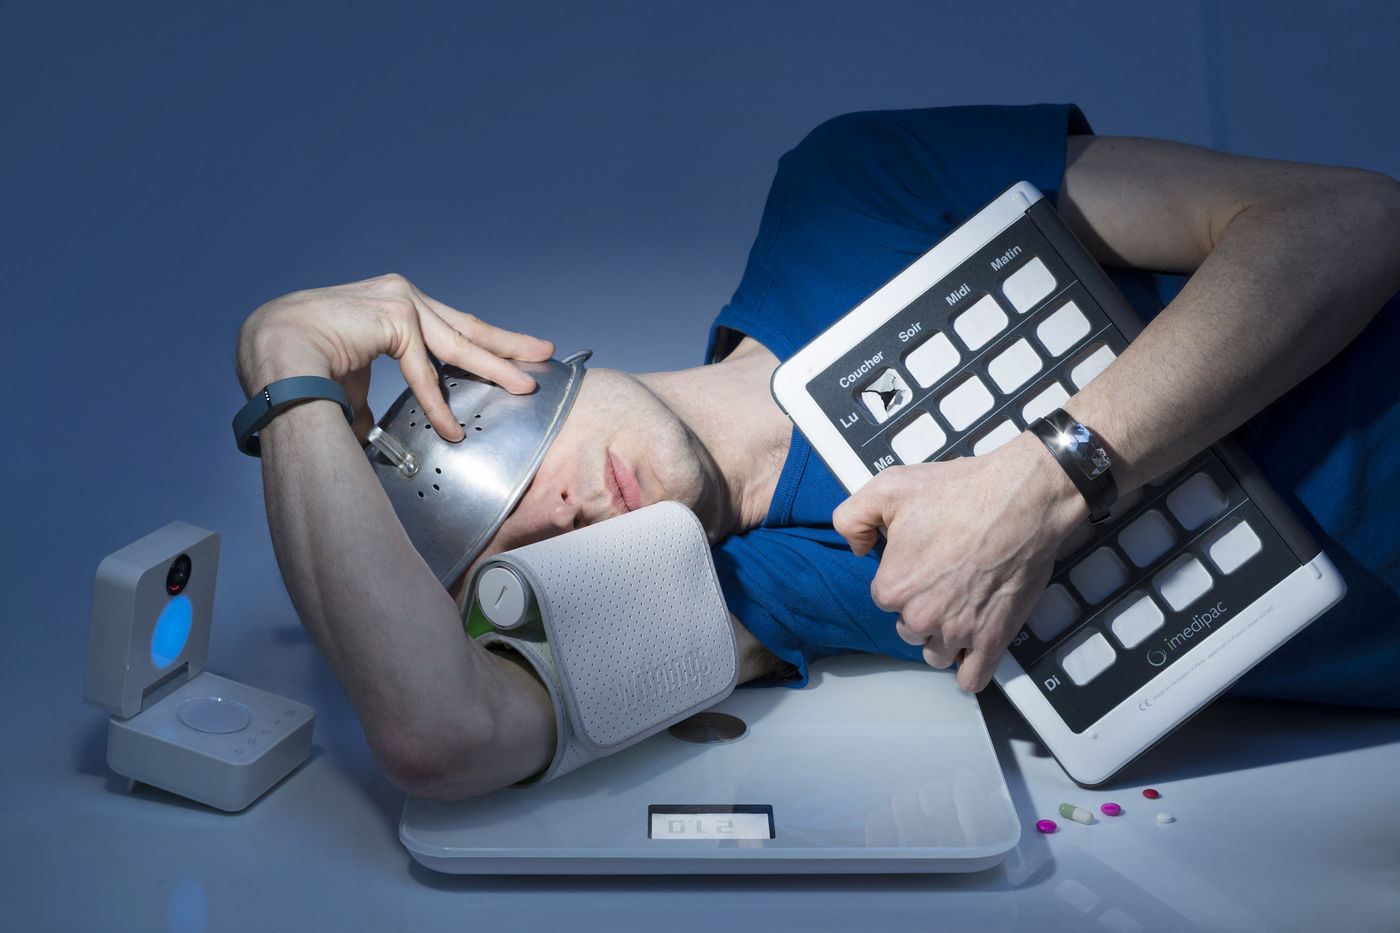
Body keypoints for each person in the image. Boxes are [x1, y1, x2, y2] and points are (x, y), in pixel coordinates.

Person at [235, 104, 1400, 801]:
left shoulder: (845, 191)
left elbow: (1345, 220)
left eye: (500, 486)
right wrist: (285, 365)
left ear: (507, 376)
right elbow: (441, 738)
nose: (561, 521)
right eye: (511, 559)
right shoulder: (752, 588)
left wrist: (1052, 477)